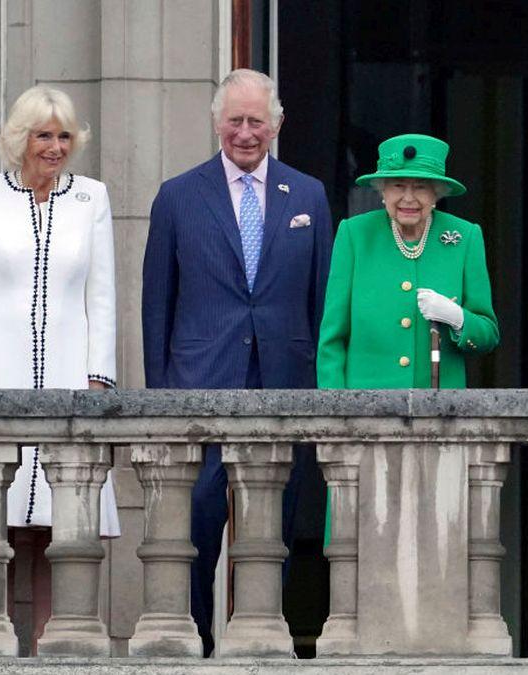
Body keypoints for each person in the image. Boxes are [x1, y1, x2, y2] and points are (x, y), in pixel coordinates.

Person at [141, 68, 333, 656]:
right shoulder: (178, 195)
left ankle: (261, 638)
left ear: (276, 125)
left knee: (273, 523)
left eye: (256, 121)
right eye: (235, 121)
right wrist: (160, 399)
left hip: (285, 383)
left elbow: (322, 299)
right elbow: (157, 303)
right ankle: (196, 638)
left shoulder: (308, 195)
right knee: (197, 518)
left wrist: (320, 389)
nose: (245, 133)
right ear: (216, 122)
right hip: (200, 385)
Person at [0, 84, 120, 652]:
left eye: (64, 136)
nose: (56, 147)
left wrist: (97, 379)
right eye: (44, 135)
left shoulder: (92, 198)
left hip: (66, 372)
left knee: (56, 521)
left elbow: (102, 296)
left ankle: (49, 645)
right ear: (21, 139)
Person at [317, 133, 498, 388]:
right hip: (365, 409)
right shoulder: (355, 235)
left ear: (437, 193)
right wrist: (335, 411)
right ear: (383, 191)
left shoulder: (465, 237)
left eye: (421, 186)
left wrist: (458, 318)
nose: (409, 198)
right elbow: (332, 339)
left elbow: (487, 335)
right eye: (398, 185)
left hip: (438, 410)